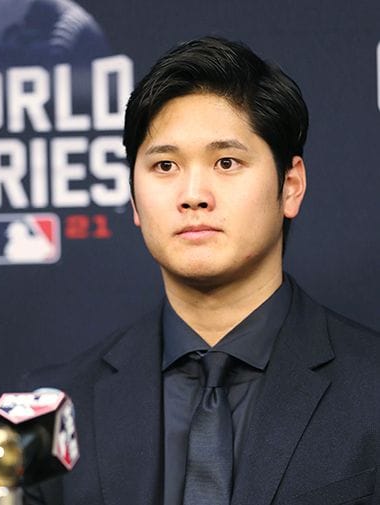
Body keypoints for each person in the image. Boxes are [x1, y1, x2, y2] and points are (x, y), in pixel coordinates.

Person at [22, 36, 380, 504]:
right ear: (133, 197)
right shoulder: (55, 409)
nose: (193, 195)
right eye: (165, 165)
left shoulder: (371, 388)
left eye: (226, 162)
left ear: (291, 186)